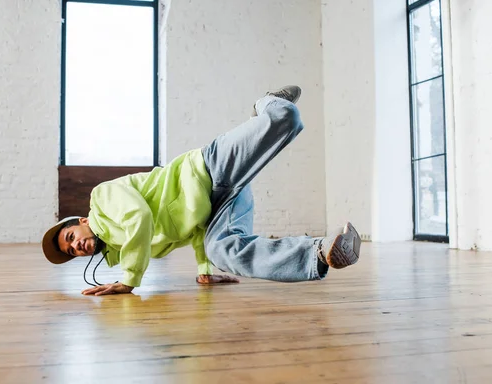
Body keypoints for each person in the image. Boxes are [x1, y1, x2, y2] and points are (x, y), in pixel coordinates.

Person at [41, 85, 361, 296]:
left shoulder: (102, 199)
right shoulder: (127, 247)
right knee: (223, 252)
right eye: (71, 252)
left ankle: (264, 102)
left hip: (206, 169)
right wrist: (205, 269)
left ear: (81, 221)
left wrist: (130, 280)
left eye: (70, 238)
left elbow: (139, 217)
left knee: (283, 118)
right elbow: (193, 233)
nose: (77, 246)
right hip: (219, 209)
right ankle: (321, 251)